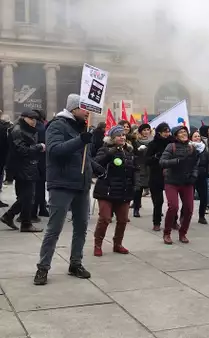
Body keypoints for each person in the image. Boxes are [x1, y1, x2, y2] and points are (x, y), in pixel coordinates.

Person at [34, 94, 98, 286]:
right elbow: (54, 150)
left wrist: (95, 168)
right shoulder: (57, 125)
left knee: (81, 227)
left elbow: (83, 157)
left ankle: (75, 263)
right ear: (73, 109)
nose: (87, 113)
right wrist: (80, 140)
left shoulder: (83, 127)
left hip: (82, 185)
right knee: (54, 228)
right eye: (84, 109)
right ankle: (43, 268)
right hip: (62, 184)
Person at [92, 125, 136, 256]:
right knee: (105, 218)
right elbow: (96, 164)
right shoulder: (104, 149)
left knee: (122, 220)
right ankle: (98, 244)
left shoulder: (128, 151)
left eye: (123, 135)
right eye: (119, 135)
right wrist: (109, 154)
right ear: (112, 137)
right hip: (107, 190)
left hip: (124, 190)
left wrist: (134, 185)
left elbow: (132, 170)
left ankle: (118, 244)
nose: (122, 137)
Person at [0, 110, 45, 232]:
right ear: (24, 118)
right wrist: (39, 147)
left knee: (26, 196)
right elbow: (21, 149)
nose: (34, 122)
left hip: (28, 166)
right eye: (32, 119)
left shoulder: (26, 129)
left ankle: (24, 221)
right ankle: (12, 217)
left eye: (35, 119)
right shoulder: (18, 130)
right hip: (21, 167)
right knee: (27, 196)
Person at [159, 126, 200, 244]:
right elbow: (162, 162)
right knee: (173, 207)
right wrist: (176, 161)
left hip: (187, 182)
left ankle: (183, 233)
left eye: (185, 132)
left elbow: (195, 164)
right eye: (181, 132)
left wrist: (194, 175)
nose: (184, 134)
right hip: (171, 181)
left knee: (189, 209)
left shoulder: (192, 147)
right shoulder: (171, 146)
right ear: (176, 135)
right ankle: (167, 233)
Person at [145, 123, 172, 231]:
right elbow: (147, 160)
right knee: (158, 201)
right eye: (165, 131)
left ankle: (173, 221)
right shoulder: (153, 144)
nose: (167, 133)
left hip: (170, 175)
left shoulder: (172, 142)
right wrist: (156, 157)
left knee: (172, 202)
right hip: (156, 175)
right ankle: (156, 222)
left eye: (168, 131)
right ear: (159, 132)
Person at [131, 123, 153, 217]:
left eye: (148, 130)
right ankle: (136, 208)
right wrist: (138, 151)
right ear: (140, 132)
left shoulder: (153, 141)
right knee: (138, 189)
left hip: (150, 168)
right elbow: (133, 154)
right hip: (139, 167)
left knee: (154, 189)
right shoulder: (136, 142)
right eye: (144, 130)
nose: (146, 132)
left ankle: (158, 209)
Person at [190, 130, 209, 224]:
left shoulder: (204, 148)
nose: (197, 138)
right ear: (191, 138)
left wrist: (208, 172)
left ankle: (201, 216)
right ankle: (185, 215)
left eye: (198, 136)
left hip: (202, 174)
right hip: (192, 175)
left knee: (204, 196)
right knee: (189, 197)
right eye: (195, 136)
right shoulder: (189, 147)